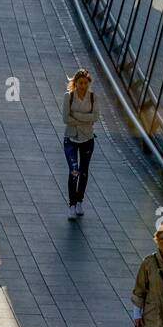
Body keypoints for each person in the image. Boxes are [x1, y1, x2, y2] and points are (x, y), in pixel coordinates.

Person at [61, 68, 99, 219]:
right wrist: (85, 118)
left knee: (83, 171)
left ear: (88, 83)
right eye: (80, 83)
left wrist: (75, 115)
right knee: (74, 171)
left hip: (87, 139)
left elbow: (95, 117)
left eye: (85, 83)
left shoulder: (93, 97)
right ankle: (71, 204)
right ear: (75, 83)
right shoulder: (68, 97)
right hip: (71, 138)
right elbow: (66, 119)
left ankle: (79, 202)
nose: (82, 86)